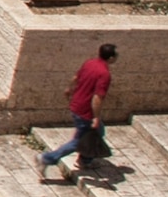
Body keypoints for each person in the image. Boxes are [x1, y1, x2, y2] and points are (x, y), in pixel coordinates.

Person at [38, 42, 119, 179]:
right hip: (86, 111)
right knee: (79, 141)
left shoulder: (90, 63)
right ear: (111, 58)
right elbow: (97, 98)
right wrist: (96, 117)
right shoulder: (104, 74)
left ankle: (85, 160)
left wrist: (69, 89)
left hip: (76, 105)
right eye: (116, 55)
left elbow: (76, 77)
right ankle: (47, 158)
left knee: (98, 132)